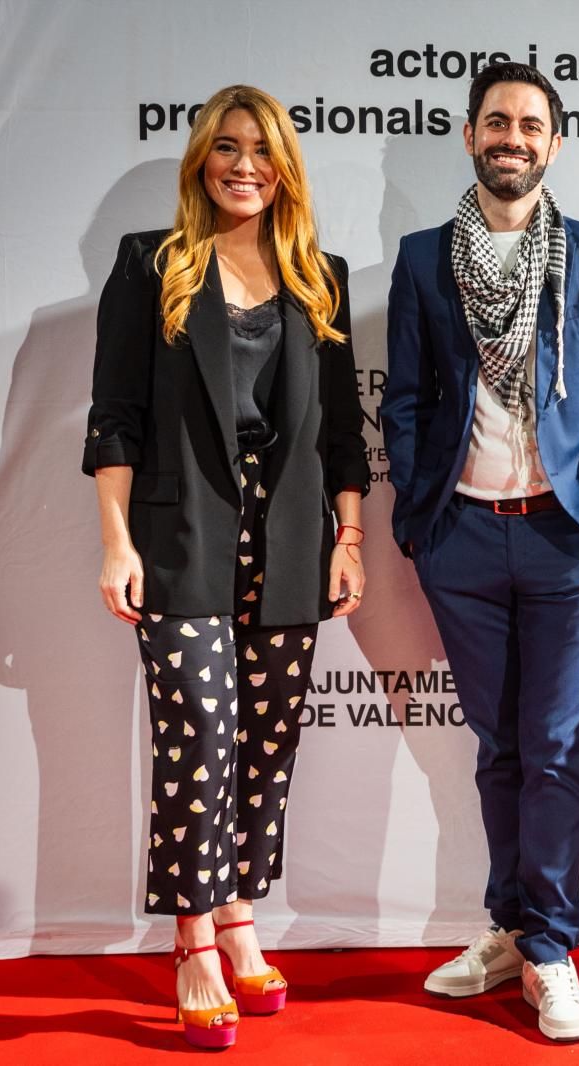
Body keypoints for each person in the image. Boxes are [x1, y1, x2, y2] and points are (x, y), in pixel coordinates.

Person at [84, 84, 368, 1049]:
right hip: (180, 535)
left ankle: (244, 912)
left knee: (268, 741)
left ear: (285, 168)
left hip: (291, 540)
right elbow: (114, 413)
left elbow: (340, 436)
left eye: (263, 150)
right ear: (202, 160)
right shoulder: (152, 266)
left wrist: (349, 538)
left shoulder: (317, 277)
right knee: (199, 732)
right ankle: (194, 939)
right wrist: (116, 541)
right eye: (227, 147)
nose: (245, 164)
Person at [382, 61, 579, 1042]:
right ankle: (509, 925)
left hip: (566, 540)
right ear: (470, 136)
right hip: (459, 539)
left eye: (531, 123)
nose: (512, 136)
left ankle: (549, 947)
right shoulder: (424, 262)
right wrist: (420, 520)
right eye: (496, 121)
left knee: (551, 747)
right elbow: (405, 401)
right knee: (499, 749)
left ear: (555, 142)